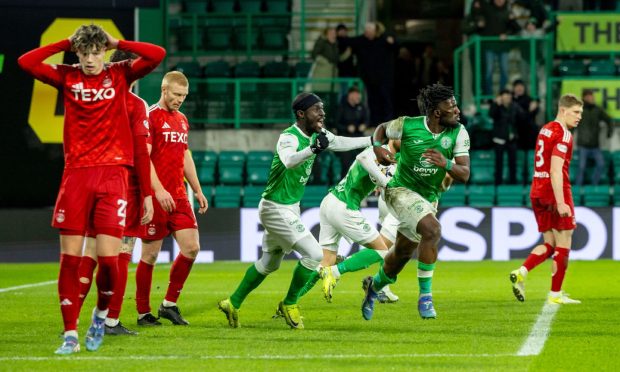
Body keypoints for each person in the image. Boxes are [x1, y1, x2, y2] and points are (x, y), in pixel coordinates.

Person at [18, 24, 165, 354]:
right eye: (83, 53)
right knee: (69, 260)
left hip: (114, 177)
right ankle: (70, 333)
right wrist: (64, 43)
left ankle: (100, 315)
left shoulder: (120, 73)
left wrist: (117, 42)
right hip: (76, 176)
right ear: (78, 53)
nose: (89, 59)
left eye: (96, 52)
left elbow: (157, 55)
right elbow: (26, 62)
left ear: (104, 52)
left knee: (110, 263)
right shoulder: (67, 76)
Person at [217, 92, 373, 329]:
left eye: (323, 108)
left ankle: (232, 302)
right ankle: (290, 303)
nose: (322, 113)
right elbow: (289, 160)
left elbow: (339, 142)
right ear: (301, 114)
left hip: (288, 207)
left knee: (269, 264)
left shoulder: (318, 135)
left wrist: (371, 141)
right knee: (315, 255)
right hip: (275, 207)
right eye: (316, 109)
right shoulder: (288, 137)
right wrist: (312, 149)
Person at [362, 83, 471, 321]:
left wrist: (446, 163)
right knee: (432, 230)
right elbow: (381, 129)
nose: (458, 110)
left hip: (428, 199)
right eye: (452, 106)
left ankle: (374, 287)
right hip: (399, 191)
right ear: (436, 112)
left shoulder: (459, 132)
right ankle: (426, 297)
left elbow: (464, 173)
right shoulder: (407, 125)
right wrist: (378, 147)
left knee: (400, 255)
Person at [75, 49, 159, 336]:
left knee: (90, 252)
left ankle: (71, 320)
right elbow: (141, 153)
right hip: (123, 187)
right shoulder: (136, 104)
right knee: (123, 251)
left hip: (89, 181)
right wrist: (146, 194)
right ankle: (110, 321)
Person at [135, 71, 209, 326]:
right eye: (176, 95)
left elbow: (184, 155)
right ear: (164, 90)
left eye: (184, 96)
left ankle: (168, 304)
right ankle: (143, 313)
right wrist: (158, 190)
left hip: (178, 195)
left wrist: (197, 188)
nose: (180, 100)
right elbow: (144, 158)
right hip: (156, 197)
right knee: (150, 255)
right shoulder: (150, 117)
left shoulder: (182, 119)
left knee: (192, 248)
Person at [510, 94, 584, 305]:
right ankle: (555, 294)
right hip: (554, 192)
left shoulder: (546, 128)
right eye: (576, 112)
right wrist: (561, 202)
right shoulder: (564, 134)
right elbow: (556, 169)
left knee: (549, 244)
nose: (579, 117)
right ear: (563, 110)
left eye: (581, 113)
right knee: (564, 242)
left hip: (537, 190)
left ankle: (521, 272)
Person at [308, 140, 400, 304]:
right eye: (403, 136)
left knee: (326, 260)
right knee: (383, 252)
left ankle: (290, 302)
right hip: (345, 205)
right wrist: (384, 182)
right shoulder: (378, 150)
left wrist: (382, 183)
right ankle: (337, 271)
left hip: (331, 200)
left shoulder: (393, 160)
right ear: (392, 137)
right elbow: (362, 157)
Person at [575, 89, 613, 186]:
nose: (592, 98)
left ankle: (593, 186)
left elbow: (609, 120)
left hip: (595, 146)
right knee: (581, 167)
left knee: (601, 165)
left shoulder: (598, 109)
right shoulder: (579, 110)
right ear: (584, 97)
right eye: (589, 96)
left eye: (592, 96)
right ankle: (577, 189)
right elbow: (571, 123)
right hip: (582, 145)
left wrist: (609, 132)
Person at [490, 88, 525, 184]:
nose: (508, 98)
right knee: (499, 163)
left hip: (512, 138)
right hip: (499, 139)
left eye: (509, 96)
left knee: (513, 163)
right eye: (505, 96)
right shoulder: (496, 106)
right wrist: (496, 104)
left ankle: (513, 182)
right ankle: (498, 183)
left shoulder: (515, 107)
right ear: (501, 97)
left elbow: (522, 118)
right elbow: (492, 115)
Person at [335, 85, 370, 178]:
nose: (358, 97)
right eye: (356, 95)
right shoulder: (342, 106)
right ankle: (343, 184)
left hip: (358, 136)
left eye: (359, 95)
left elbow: (366, 120)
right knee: (346, 163)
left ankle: (366, 182)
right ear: (350, 95)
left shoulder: (361, 106)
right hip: (345, 137)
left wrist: (364, 125)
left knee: (367, 158)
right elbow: (336, 123)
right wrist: (346, 128)